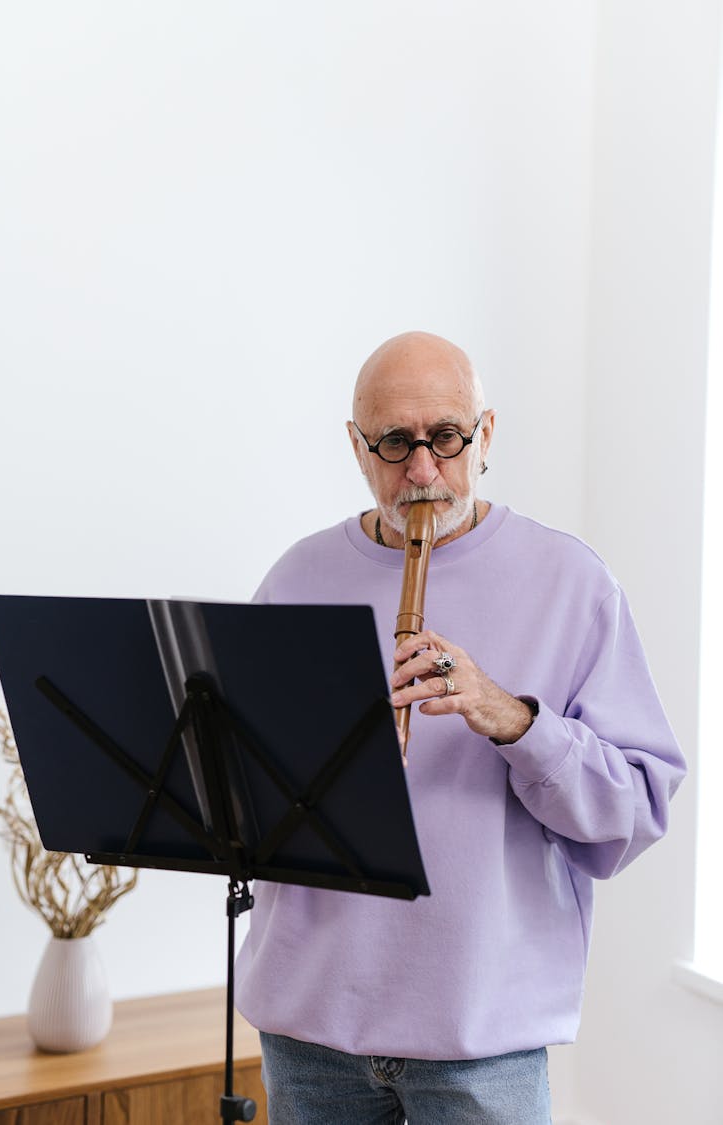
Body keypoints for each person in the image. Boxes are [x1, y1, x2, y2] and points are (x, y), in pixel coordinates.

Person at [234, 330, 686, 1124]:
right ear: (356, 446)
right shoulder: (296, 577)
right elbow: (239, 791)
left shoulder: (573, 582)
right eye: (394, 443)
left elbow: (636, 810)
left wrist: (513, 720)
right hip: (310, 1032)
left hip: (484, 1038)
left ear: (486, 434)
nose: (421, 471)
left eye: (445, 437)